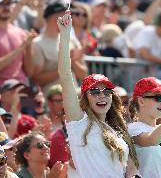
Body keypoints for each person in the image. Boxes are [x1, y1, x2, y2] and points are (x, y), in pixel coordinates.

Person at [57, 13, 139, 177]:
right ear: (85, 98)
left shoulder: (116, 130)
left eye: (106, 91)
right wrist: (65, 36)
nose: (102, 96)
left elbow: (130, 171)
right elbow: (65, 76)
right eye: (94, 92)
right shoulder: (78, 123)